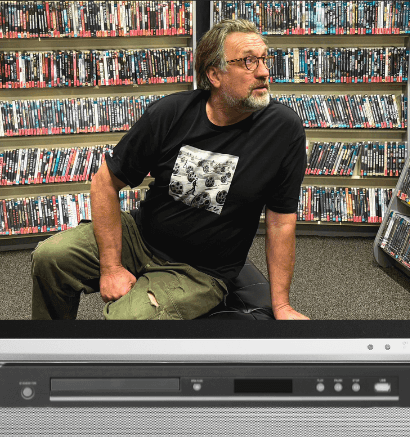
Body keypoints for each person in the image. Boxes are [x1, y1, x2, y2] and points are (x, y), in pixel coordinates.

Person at [31, 18, 309, 320]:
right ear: (214, 74)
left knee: (128, 319)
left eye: (265, 60)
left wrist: (281, 306)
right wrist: (111, 267)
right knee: (50, 257)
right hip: (141, 237)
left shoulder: (283, 130)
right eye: (249, 62)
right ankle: (50, 352)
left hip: (200, 272)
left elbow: (281, 222)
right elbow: (104, 183)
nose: (264, 72)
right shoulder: (170, 113)